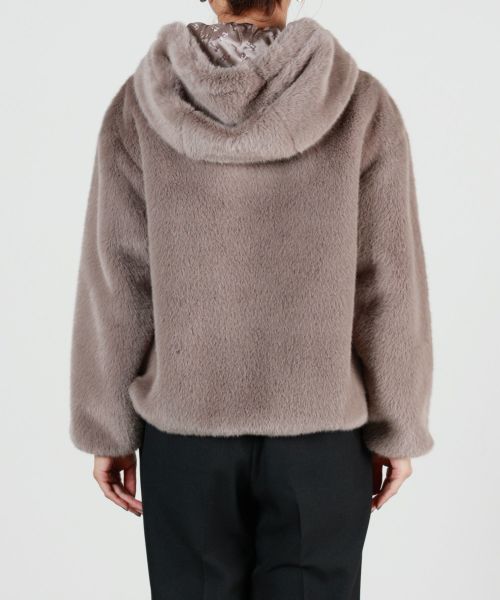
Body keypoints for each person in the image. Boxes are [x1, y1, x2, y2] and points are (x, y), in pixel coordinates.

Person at [69, 0, 434, 597]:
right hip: (320, 437)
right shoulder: (360, 104)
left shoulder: (141, 106)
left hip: (185, 435)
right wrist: (398, 428)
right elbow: (387, 281)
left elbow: (119, 279)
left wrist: (108, 429)